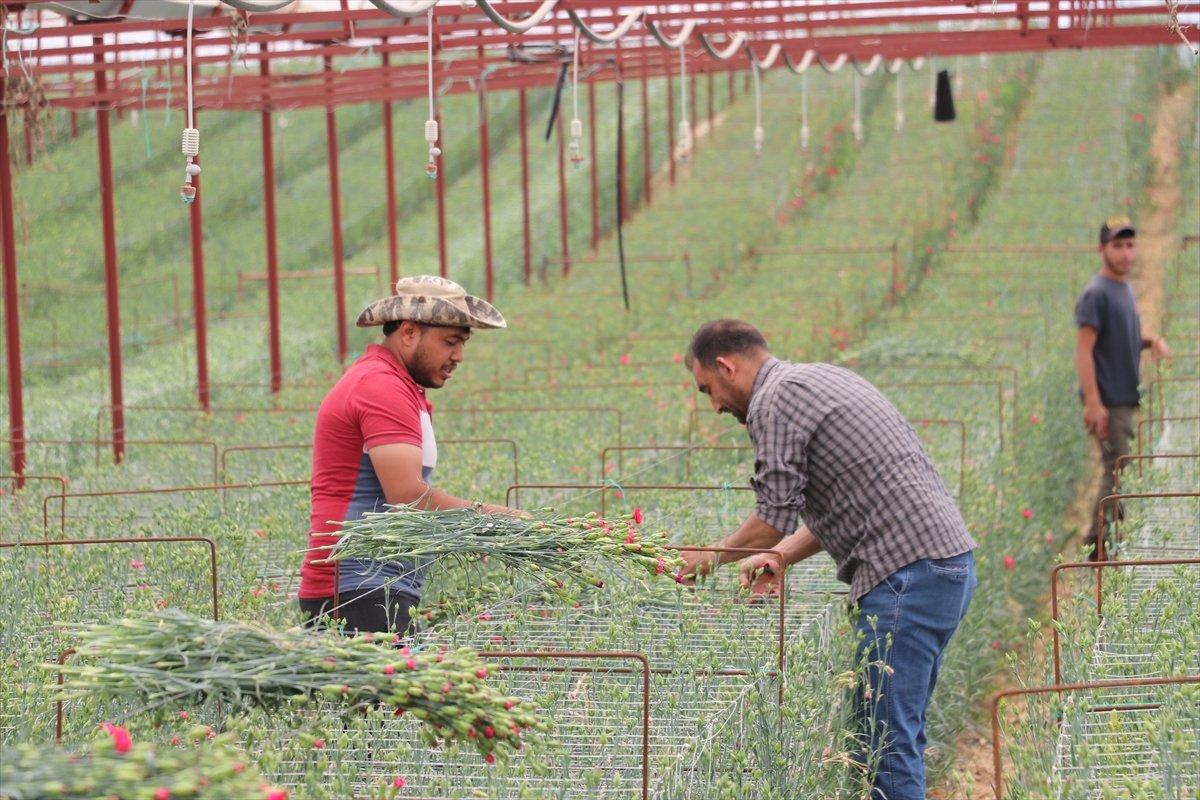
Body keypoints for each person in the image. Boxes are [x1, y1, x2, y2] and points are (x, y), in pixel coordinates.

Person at [677, 319, 977, 800]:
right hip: (941, 568)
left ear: (726, 366)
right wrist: (778, 557)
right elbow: (836, 507)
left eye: (708, 389)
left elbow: (773, 518)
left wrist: (707, 558)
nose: (713, 406)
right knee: (893, 738)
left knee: (884, 749)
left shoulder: (773, 403)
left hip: (907, 578)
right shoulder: (816, 379)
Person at [298, 275, 521, 636]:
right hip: (357, 588)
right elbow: (408, 498)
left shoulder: (398, 386)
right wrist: (500, 520)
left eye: (463, 344)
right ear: (408, 333)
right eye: (450, 342)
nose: (459, 357)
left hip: (373, 587)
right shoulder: (380, 387)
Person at [1074, 217, 1169, 559]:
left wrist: (1151, 340)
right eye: (1117, 245)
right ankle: (1098, 545)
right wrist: (1093, 403)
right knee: (1115, 467)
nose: (1126, 253)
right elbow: (1084, 349)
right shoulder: (1096, 294)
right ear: (1102, 250)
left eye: (1130, 245)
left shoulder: (1124, 289)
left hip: (1124, 397)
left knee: (1120, 467)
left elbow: (1122, 338)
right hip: (1109, 400)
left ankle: (1110, 535)